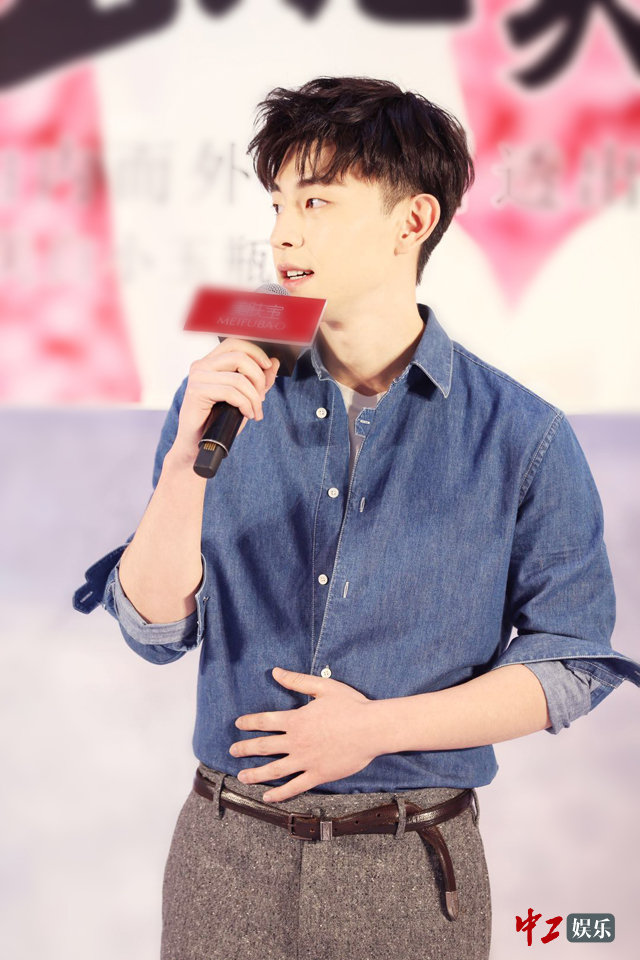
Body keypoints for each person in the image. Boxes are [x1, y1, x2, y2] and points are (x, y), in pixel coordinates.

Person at [73, 76, 640, 960]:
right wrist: (185, 467)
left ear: (413, 220)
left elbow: (570, 662)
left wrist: (376, 729)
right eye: (277, 203)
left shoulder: (522, 434)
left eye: (317, 201)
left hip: (412, 863)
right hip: (226, 855)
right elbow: (152, 629)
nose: (282, 233)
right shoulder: (223, 397)